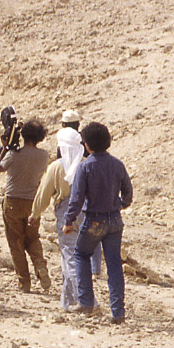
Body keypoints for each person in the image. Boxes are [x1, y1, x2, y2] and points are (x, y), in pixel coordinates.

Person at [64, 122, 133, 324]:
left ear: (87, 145)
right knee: (114, 265)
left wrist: (68, 221)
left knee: (81, 254)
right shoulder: (117, 164)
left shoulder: (85, 166)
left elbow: (76, 199)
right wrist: (120, 204)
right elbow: (128, 192)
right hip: (114, 219)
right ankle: (118, 312)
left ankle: (86, 301)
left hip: (94, 220)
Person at [29, 127, 90, 311]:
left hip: (66, 213)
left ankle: (84, 301)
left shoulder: (56, 167)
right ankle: (68, 301)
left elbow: (44, 193)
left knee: (70, 256)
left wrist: (35, 213)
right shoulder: (87, 164)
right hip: (87, 212)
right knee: (79, 257)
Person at [0, 119, 51, 293]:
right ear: (41, 137)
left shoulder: (13, 154)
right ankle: (40, 265)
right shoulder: (44, 155)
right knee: (33, 238)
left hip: (12, 201)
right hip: (33, 203)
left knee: (16, 243)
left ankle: (24, 283)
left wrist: (5, 147)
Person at [62, 108, 103, 276]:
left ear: (63, 125)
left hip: (70, 190)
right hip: (91, 191)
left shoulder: (63, 141)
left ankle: (75, 269)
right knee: (93, 232)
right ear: (78, 125)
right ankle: (95, 269)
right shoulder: (85, 141)